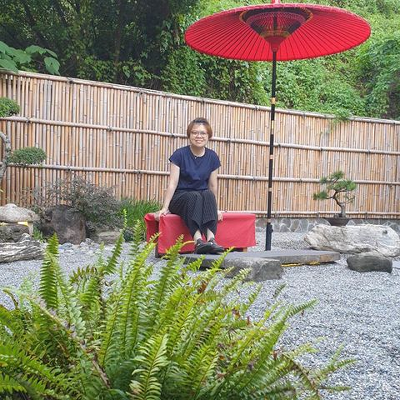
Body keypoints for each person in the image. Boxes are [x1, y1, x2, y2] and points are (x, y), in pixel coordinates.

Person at [154, 117, 224, 254]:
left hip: (202, 197)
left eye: (203, 133)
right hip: (180, 198)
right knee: (194, 196)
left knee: (207, 194)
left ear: (208, 136)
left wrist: (216, 209)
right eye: (195, 132)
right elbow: (173, 183)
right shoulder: (179, 154)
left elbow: (213, 185)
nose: (199, 136)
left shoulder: (212, 157)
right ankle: (198, 241)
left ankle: (211, 240)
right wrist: (165, 207)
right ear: (189, 135)